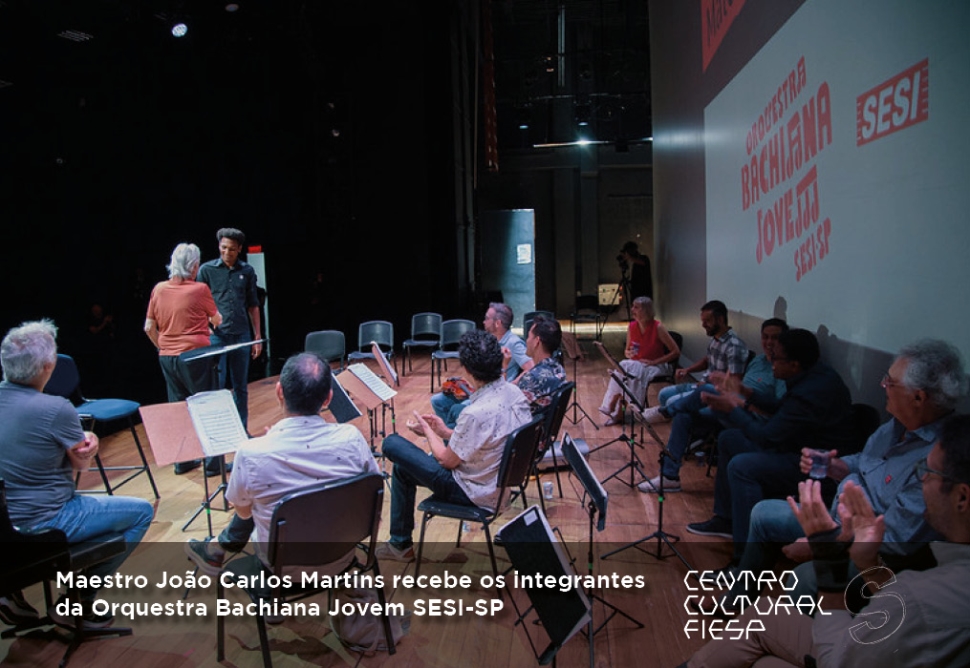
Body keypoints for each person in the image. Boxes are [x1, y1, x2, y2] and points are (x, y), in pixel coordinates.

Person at [680, 413, 970, 668]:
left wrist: (829, 560)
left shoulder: (925, 597)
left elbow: (839, 660)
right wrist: (868, 562)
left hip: (846, 647)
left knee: (775, 616)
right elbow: (901, 610)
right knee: (765, 659)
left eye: (927, 472)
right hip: (859, 546)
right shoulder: (936, 588)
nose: (922, 480)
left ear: (962, 497)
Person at [721, 338, 967, 603]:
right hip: (837, 518)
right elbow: (866, 460)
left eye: (890, 382)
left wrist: (826, 542)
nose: (882, 385)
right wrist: (835, 466)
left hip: (870, 552)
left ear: (918, 397)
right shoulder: (897, 425)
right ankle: (737, 598)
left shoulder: (938, 459)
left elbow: (895, 540)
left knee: (803, 579)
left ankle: (799, 628)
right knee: (763, 512)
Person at [0, 320, 154, 629]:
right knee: (141, 513)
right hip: (46, 522)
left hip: (5, 526)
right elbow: (81, 466)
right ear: (48, 366)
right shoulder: (55, 408)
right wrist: (91, 441)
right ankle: (77, 600)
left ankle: (11, 591)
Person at [185, 352, 378, 577]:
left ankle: (216, 548)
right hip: (341, 560)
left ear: (279, 392)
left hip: (281, 570)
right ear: (328, 398)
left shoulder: (250, 453)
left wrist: (270, 452)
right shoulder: (353, 438)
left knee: (258, 496)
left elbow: (244, 513)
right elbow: (372, 494)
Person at [686, 329, 855, 550]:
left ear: (793, 364)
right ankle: (726, 520)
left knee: (742, 467)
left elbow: (766, 438)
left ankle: (746, 552)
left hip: (814, 466)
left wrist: (732, 408)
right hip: (795, 447)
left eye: (775, 358)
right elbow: (782, 409)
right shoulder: (811, 375)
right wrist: (743, 391)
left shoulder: (812, 392)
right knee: (729, 438)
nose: (771, 362)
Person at [378, 329, 532, 561]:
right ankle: (399, 544)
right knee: (402, 468)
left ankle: (400, 545)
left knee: (391, 444)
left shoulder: (475, 413)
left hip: (473, 493)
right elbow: (487, 440)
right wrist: (444, 432)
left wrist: (428, 430)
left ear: (467, 370)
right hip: (499, 486)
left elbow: (447, 460)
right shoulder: (514, 393)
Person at [638, 318, 788, 493]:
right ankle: (669, 477)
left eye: (775, 338)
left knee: (706, 389)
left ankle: (665, 412)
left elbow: (778, 410)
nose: (769, 342)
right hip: (731, 407)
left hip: (751, 417)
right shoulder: (759, 360)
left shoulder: (782, 369)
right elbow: (739, 387)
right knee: (684, 416)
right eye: (765, 337)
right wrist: (725, 388)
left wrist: (740, 401)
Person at [144, 243, 223, 475]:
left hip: (167, 357)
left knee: (178, 408)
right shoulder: (199, 289)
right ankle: (213, 465)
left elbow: (148, 327)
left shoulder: (158, 289)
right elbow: (217, 320)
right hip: (195, 356)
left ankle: (183, 461)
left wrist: (163, 347)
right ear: (195, 266)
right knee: (207, 406)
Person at [639, 299, 748, 423]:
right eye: (702, 321)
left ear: (720, 319)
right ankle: (675, 420)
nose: (703, 325)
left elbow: (733, 382)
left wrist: (708, 386)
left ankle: (667, 414)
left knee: (670, 401)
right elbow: (707, 360)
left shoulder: (734, 346)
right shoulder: (716, 340)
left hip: (714, 392)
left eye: (707, 321)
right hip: (701, 385)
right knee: (663, 394)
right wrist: (688, 370)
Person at [196, 227, 263, 431]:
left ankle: (241, 431)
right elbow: (198, 303)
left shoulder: (247, 271)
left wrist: (257, 336)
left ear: (239, 249)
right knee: (217, 386)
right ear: (219, 246)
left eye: (232, 249)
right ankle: (218, 433)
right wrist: (205, 327)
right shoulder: (206, 271)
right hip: (217, 335)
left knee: (240, 386)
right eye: (223, 248)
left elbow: (253, 305)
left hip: (241, 334)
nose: (227, 252)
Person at [431, 302, 532, 428]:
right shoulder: (488, 340)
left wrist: (512, 383)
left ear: (498, 323)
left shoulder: (514, 343)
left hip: (495, 395)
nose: (484, 322)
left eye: (487, 318)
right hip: (480, 388)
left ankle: (456, 435)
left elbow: (531, 368)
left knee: (459, 410)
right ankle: (454, 436)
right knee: (437, 401)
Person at [597, 296, 680, 426]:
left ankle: (615, 406)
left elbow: (675, 352)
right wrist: (629, 353)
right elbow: (627, 351)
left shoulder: (658, 327)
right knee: (624, 366)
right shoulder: (632, 327)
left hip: (656, 365)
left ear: (646, 310)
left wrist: (655, 362)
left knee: (631, 370)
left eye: (636, 307)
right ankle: (617, 407)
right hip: (637, 363)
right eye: (633, 306)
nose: (632, 310)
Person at [511, 314, 567, 414]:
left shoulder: (532, 378)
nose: (526, 340)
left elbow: (507, 409)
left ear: (537, 341)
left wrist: (504, 367)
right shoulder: (558, 368)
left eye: (528, 336)